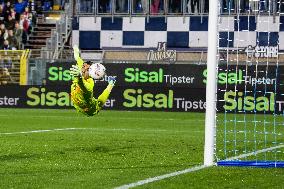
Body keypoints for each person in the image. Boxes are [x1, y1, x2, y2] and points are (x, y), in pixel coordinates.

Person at [69, 45, 116, 116]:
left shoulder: (89, 85)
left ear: (91, 72)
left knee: (99, 103)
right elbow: (77, 58)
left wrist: (79, 76)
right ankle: (111, 83)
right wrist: (76, 50)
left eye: (87, 69)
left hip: (89, 108)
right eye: (83, 66)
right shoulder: (81, 67)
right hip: (77, 103)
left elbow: (82, 84)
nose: (83, 69)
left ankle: (111, 84)